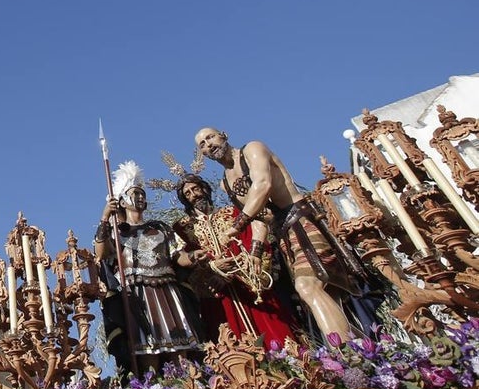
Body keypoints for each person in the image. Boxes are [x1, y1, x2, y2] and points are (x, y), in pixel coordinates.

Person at [194, 128, 366, 343]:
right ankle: (360, 351)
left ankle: (346, 354)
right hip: (282, 234)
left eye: (210, 137)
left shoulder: (253, 149)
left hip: (301, 221)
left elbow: (262, 186)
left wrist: (235, 226)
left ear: (223, 135)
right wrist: (255, 252)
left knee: (308, 287)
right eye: (202, 144)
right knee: (323, 294)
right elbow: (260, 216)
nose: (208, 144)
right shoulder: (225, 182)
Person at [95, 161, 203, 372]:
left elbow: (177, 255)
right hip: (137, 295)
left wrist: (193, 257)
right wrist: (105, 217)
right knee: (147, 350)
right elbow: (102, 254)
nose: (140, 197)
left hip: (167, 290)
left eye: (142, 193)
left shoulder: (160, 228)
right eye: (135, 193)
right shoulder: (117, 233)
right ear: (122, 201)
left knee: (179, 347)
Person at [172, 174, 297, 349]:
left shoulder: (234, 213)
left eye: (195, 189)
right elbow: (183, 262)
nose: (193, 195)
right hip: (217, 295)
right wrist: (214, 270)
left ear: (205, 189)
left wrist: (234, 270)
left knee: (275, 336)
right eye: (187, 193)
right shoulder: (182, 228)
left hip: (248, 286)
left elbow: (254, 243)